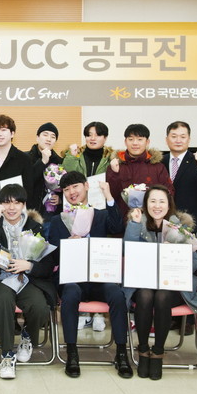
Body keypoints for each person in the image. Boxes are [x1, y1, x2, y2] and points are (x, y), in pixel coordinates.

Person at [47, 171, 131, 379]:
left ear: (86, 186)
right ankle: (72, 353)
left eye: (75, 186)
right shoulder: (58, 220)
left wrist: (109, 197)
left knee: (117, 294)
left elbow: (117, 226)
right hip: (72, 279)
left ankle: (122, 353)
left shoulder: (100, 215)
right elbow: (53, 256)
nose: (71, 192)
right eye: (66, 190)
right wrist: (68, 245)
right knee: (70, 293)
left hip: (98, 279)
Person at [124, 185, 197, 380]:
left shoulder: (180, 226)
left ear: (169, 204)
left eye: (161, 201)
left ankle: (158, 352)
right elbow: (127, 252)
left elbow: (195, 264)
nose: (157, 206)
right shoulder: (138, 222)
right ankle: (143, 350)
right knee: (145, 295)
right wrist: (134, 224)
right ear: (146, 204)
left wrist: (175, 251)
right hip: (144, 283)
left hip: (173, 286)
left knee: (162, 297)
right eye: (152, 201)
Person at [0, 184, 55, 379]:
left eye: (16, 202)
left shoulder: (35, 227)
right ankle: (7, 355)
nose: (11, 207)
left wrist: (29, 265)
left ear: (24, 205)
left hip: (27, 280)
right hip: (1, 279)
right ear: (0, 205)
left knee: (40, 306)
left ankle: (27, 335)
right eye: (6, 202)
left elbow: (47, 264)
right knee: (2, 301)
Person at [61, 121, 114, 331]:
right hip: (74, 210)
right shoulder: (74, 156)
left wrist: (108, 198)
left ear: (105, 138)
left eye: (97, 134)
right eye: (89, 134)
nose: (92, 138)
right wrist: (71, 157)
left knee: (98, 258)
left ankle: (98, 313)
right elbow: (67, 180)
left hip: (99, 210)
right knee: (77, 257)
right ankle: (83, 311)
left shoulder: (112, 159)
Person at [107, 123, 174, 219]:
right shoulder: (115, 165)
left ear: (147, 142)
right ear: (125, 142)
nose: (135, 143)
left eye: (140, 139)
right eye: (131, 139)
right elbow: (111, 195)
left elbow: (169, 192)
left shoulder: (158, 167)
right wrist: (115, 173)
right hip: (122, 220)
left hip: (151, 220)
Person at [163, 121, 197, 232]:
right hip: (164, 221)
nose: (178, 140)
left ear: (189, 140)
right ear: (166, 140)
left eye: (183, 137)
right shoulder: (160, 162)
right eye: (174, 136)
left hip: (191, 222)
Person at [26, 122, 64, 222]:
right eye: (45, 135)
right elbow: (26, 182)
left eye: (53, 137)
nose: (49, 139)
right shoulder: (25, 158)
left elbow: (66, 186)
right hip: (29, 212)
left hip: (51, 215)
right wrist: (42, 162)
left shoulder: (60, 162)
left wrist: (60, 198)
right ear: (37, 138)